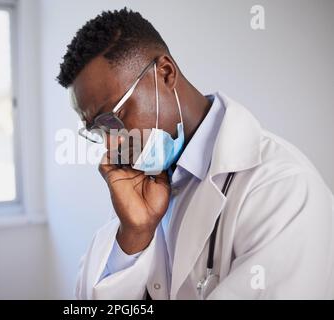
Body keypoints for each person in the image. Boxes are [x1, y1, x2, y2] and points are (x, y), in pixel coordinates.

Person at [56, 8, 333, 299]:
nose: (111, 147)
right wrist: (134, 236)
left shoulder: (283, 188)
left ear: (165, 73)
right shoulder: (138, 188)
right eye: (98, 132)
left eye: (113, 119)